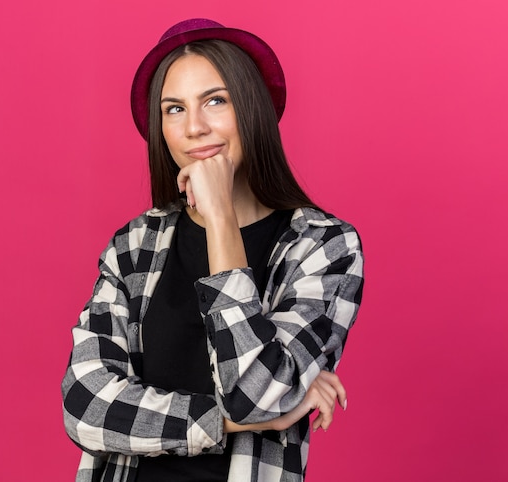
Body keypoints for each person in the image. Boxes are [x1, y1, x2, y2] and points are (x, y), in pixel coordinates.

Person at [62, 18, 364, 482]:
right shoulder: (134, 245)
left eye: (215, 101)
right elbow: (84, 403)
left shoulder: (323, 246)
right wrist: (221, 420)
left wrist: (220, 218)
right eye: (174, 109)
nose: (196, 127)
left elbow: (254, 395)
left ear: (252, 108)